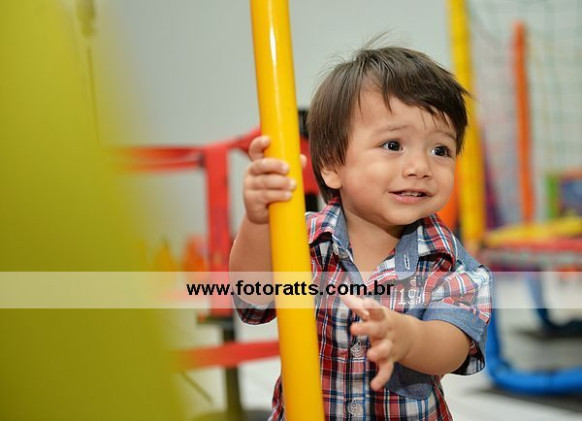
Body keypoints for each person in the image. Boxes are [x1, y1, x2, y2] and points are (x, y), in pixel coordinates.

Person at [230, 45, 492, 420]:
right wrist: (258, 223)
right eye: (393, 145)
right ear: (332, 165)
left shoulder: (450, 261)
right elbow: (253, 302)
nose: (420, 166)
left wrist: (409, 338)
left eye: (440, 150)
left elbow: (453, 346)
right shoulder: (303, 240)